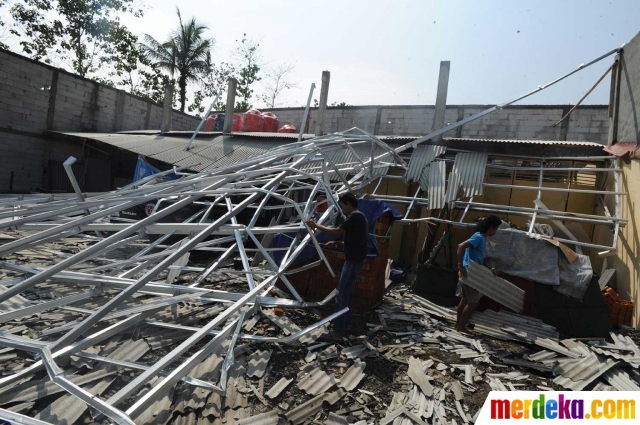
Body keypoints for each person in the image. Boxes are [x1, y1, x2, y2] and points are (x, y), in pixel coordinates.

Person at [306, 193, 368, 341]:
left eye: (343, 205)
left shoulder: (354, 216)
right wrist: (337, 244)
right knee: (347, 294)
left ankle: (337, 333)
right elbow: (357, 240)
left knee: (341, 296)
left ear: (349, 204)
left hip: (353, 261)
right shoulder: (360, 217)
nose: (342, 209)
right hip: (357, 260)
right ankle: (345, 325)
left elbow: (336, 232)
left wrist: (316, 225)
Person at [454, 215, 502, 333]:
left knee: (465, 300)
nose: (495, 231)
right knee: (473, 303)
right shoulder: (479, 237)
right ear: (490, 228)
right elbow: (461, 246)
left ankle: (457, 326)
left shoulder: (482, 238)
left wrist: (491, 267)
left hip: (470, 271)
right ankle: (461, 327)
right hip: (470, 272)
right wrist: (460, 265)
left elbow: (479, 257)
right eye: (495, 229)